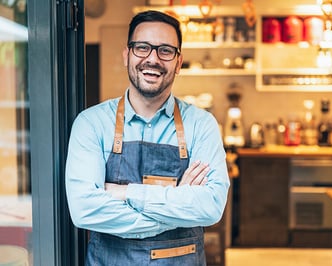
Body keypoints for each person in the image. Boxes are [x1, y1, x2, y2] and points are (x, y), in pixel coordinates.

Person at [65, 10, 230, 265]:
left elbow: (210, 207)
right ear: (126, 55)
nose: (152, 59)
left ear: (178, 62)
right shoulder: (91, 123)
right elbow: (84, 210)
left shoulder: (202, 125)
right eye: (142, 48)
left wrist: (126, 192)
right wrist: (175, 208)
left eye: (165, 50)